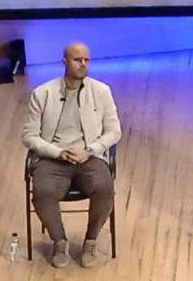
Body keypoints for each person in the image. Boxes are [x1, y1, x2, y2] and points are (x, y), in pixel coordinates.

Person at [21, 42, 121, 269]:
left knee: (104, 188)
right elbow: (29, 136)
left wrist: (91, 150)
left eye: (87, 60)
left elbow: (115, 131)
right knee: (43, 191)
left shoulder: (101, 91)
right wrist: (58, 152)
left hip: (90, 157)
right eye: (78, 60)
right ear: (64, 62)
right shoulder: (42, 93)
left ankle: (90, 241)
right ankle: (59, 241)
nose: (83, 64)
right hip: (53, 157)